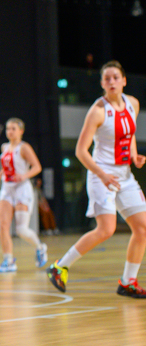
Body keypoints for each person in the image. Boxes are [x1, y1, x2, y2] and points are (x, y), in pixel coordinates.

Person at [47, 61, 146, 298]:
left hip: (124, 175)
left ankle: (128, 282)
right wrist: (102, 175)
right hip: (101, 175)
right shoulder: (98, 111)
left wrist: (133, 155)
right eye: (107, 78)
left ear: (124, 81)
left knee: (142, 228)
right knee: (106, 229)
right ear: (102, 83)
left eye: (115, 77)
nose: (111, 82)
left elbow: (129, 134)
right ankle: (59, 266)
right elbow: (81, 151)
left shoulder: (132, 103)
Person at [0, 118, 47, 272]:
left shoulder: (24, 148)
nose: (10, 131)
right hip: (7, 189)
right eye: (8, 129)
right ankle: (8, 261)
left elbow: (37, 167)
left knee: (21, 230)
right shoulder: (4, 147)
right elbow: (5, 167)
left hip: (22, 189)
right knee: (3, 225)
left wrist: (24, 176)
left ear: (21, 131)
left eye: (13, 129)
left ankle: (40, 247)